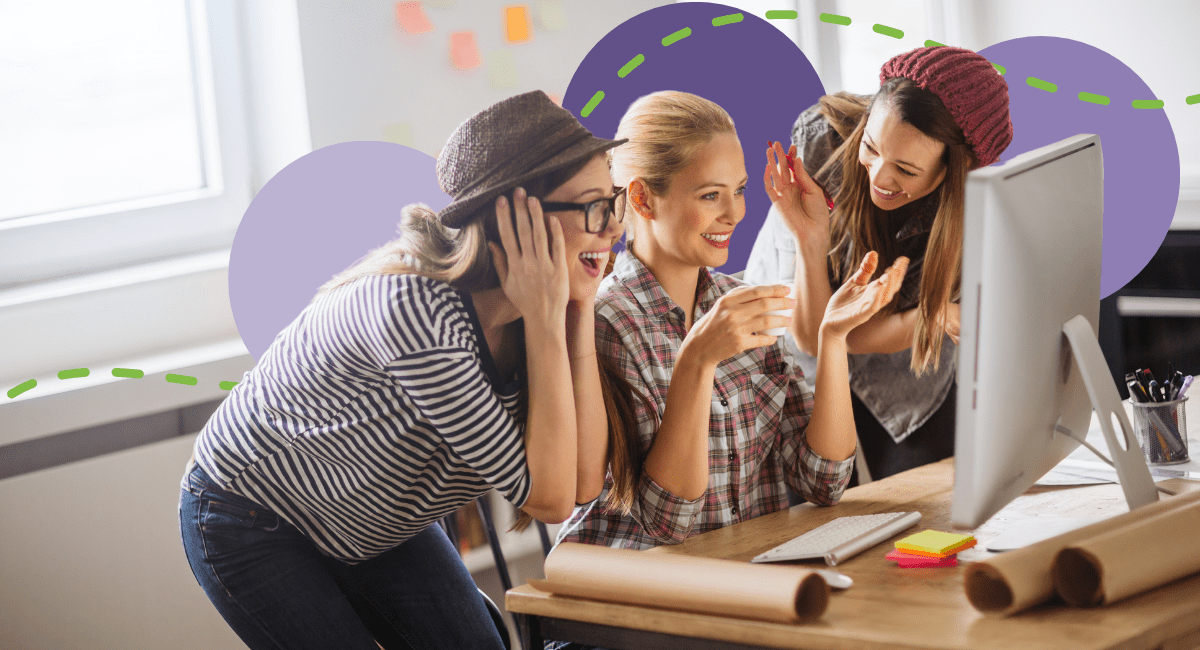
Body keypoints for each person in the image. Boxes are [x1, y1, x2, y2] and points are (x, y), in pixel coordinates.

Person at [179, 90, 627, 650]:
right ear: (513, 219)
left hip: (371, 521)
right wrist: (547, 314)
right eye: (592, 207)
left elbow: (583, 482)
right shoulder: (418, 313)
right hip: (253, 515)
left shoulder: (540, 310)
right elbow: (551, 500)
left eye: (615, 202)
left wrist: (576, 307)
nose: (613, 230)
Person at [551, 90, 907, 563]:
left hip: (744, 575)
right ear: (641, 198)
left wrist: (834, 340)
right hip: (641, 599)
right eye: (710, 195)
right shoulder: (608, 323)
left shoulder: (740, 303)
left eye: (738, 190)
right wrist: (697, 360)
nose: (735, 213)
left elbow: (823, 480)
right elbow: (669, 522)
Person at [746, 46, 1013, 483]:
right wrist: (810, 237)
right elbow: (814, 337)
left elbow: (859, 335)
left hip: (903, 364)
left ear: (953, 172)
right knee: (815, 513)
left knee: (931, 504)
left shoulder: (970, 219)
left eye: (906, 170)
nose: (879, 176)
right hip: (794, 346)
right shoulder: (822, 143)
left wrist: (934, 314)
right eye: (871, 148)